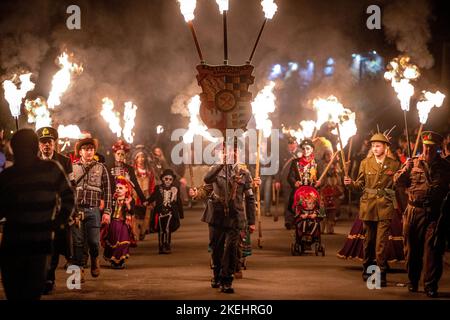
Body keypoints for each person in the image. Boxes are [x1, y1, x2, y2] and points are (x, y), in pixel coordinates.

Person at [0, 129, 74, 300]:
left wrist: (59, 221)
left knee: (29, 292)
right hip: (16, 245)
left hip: (37, 244)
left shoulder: (51, 169)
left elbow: (68, 196)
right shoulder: (7, 175)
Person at [192, 143, 256, 294]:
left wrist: (251, 221)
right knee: (216, 248)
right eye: (227, 151)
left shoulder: (244, 173)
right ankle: (216, 275)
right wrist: (221, 163)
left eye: (235, 151)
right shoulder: (215, 169)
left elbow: (250, 198)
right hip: (216, 214)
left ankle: (227, 280)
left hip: (235, 215)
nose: (232, 154)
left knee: (231, 248)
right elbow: (207, 179)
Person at [394, 131, 450, 297]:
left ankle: (430, 284)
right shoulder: (413, 163)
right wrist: (406, 169)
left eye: (432, 148)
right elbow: (397, 182)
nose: (428, 151)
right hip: (413, 212)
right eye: (426, 147)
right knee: (412, 251)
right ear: (422, 146)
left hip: (434, 214)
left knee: (433, 250)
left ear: (437, 148)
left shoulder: (446, 167)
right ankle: (413, 280)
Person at [343, 132, 400, 286]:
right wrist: (350, 183)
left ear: (385, 147)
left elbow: (398, 185)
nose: (375, 148)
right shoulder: (365, 163)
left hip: (385, 207)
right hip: (368, 207)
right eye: (373, 146)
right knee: (368, 242)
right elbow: (360, 186)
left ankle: (380, 275)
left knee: (381, 244)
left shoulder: (394, 164)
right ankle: (367, 269)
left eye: (378, 145)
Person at [35, 126, 75, 294]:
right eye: (43, 143)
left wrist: (72, 212)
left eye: (49, 142)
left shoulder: (64, 161)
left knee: (59, 245)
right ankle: (45, 277)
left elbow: (72, 187)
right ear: (38, 145)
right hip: (38, 211)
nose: (46, 146)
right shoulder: (32, 162)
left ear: (54, 143)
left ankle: (55, 276)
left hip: (59, 211)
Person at [71, 135, 112, 280]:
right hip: (76, 211)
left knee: (94, 242)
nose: (89, 152)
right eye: (86, 149)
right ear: (80, 152)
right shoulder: (72, 168)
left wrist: (107, 212)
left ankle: (95, 259)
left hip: (93, 210)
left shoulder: (101, 168)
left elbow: (107, 191)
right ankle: (78, 270)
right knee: (77, 242)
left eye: (91, 149)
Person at [101, 176, 135, 269]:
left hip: (123, 224)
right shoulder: (112, 199)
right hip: (113, 224)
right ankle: (113, 260)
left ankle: (120, 260)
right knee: (112, 241)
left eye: (121, 188)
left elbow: (132, 212)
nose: (118, 190)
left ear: (126, 189)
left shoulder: (129, 200)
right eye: (117, 188)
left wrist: (127, 204)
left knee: (123, 242)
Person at [148, 169, 184, 254]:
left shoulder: (175, 189)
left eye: (170, 179)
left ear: (172, 180)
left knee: (167, 229)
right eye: (166, 179)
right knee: (161, 230)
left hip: (170, 212)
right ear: (163, 179)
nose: (168, 181)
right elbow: (153, 196)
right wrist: (147, 201)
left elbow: (179, 201)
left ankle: (167, 245)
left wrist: (181, 213)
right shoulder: (158, 188)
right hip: (160, 212)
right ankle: (160, 246)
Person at [286, 138, 319, 229]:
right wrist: (294, 182)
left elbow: (321, 178)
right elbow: (290, 177)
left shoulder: (316, 162)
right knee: (299, 216)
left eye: (308, 148)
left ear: (312, 149)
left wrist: (320, 182)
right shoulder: (295, 162)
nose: (305, 151)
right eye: (303, 148)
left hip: (313, 194)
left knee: (315, 216)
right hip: (299, 193)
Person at [275, 137, 302, 229]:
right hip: (286, 182)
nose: (291, 145)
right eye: (289, 143)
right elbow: (278, 168)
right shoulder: (283, 154)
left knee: (298, 201)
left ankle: (297, 220)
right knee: (287, 202)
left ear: (296, 143)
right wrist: (277, 180)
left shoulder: (301, 153)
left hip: (297, 182)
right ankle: (288, 221)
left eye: (293, 143)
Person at [132, 145, 155, 240]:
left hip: (146, 196)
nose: (141, 159)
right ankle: (135, 234)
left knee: (146, 215)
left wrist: (152, 197)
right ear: (135, 159)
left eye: (143, 157)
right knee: (135, 216)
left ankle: (143, 232)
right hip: (135, 196)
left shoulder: (149, 171)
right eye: (139, 157)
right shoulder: (132, 171)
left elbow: (152, 184)